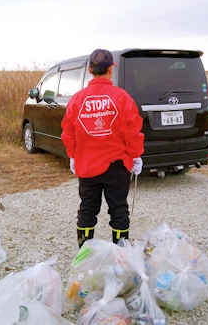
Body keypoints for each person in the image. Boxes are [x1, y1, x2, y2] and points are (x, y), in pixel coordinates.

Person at [61, 49, 145, 248]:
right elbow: (133, 130)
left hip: (87, 167)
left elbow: (68, 131)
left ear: (90, 69)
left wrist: (72, 155)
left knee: (87, 210)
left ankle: (84, 256)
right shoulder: (122, 97)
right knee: (119, 210)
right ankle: (122, 254)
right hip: (117, 167)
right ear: (110, 69)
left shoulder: (77, 100)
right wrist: (136, 156)